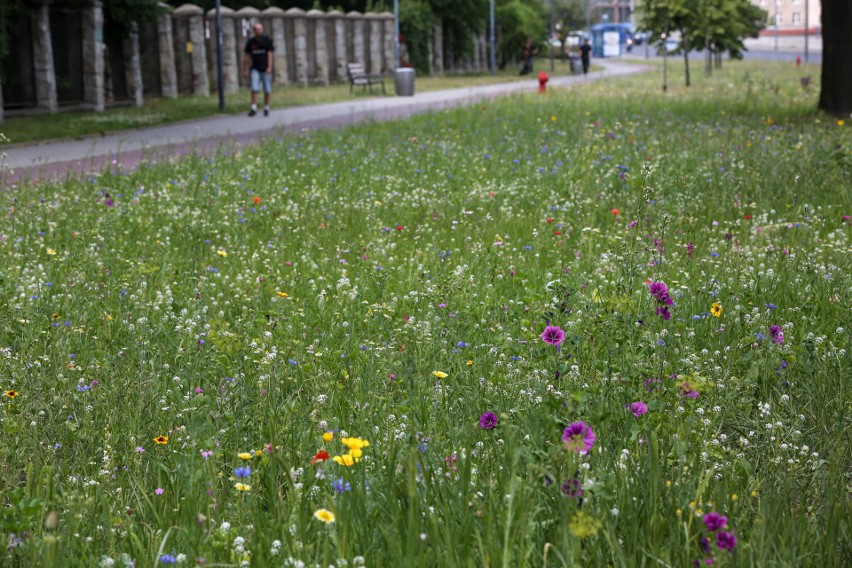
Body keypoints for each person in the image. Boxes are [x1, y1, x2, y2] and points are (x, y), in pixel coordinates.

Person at [243, 23, 274, 117]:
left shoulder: (267, 40)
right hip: (255, 68)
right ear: (254, 31)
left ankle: (266, 108)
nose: (260, 31)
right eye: (258, 29)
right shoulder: (251, 42)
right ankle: (253, 108)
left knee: (267, 89)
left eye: (261, 29)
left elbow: (270, 54)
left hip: (265, 68)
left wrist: (269, 66)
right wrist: (245, 69)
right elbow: (247, 56)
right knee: (254, 88)